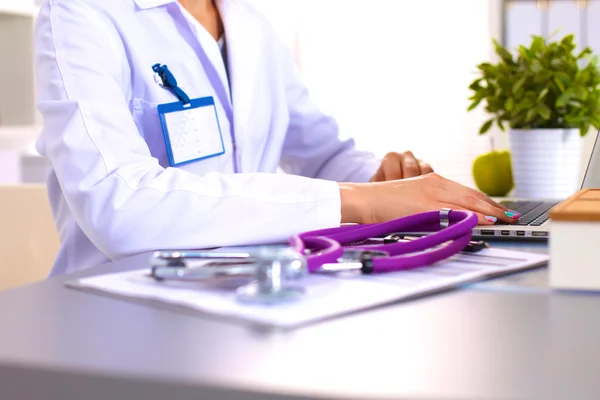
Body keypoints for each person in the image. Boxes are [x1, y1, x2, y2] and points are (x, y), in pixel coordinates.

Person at [33, 0, 517, 276]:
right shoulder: (82, 11)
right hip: (117, 309)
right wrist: (362, 202)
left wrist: (382, 182)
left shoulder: (251, 26)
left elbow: (322, 155)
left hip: (251, 295)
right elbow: (119, 205)